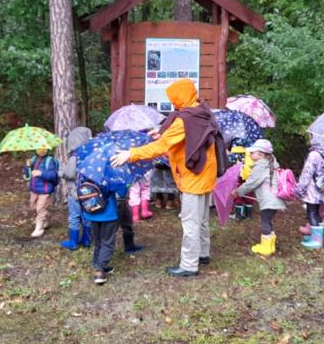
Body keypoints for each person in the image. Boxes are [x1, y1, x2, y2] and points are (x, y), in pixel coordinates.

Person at [111, 79, 221, 277]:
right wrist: (161, 132)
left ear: (181, 97)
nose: (173, 103)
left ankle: (189, 265)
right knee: (202, 219)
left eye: (174, 98)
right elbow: (178, 132)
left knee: (190, 222)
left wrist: (131, 154)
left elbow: (162, 146)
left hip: (193, 176)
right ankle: (202, 254)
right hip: (206, 173)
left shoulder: (185, 120)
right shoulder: (201, 110)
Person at [233, 140, 285, 256]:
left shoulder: (261, 166)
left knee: (265, 221)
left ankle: (266, 248)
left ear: (261, 154)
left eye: (252, 152)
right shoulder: (270, 162)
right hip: (275, 198)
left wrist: (237, 191)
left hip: (269, 199)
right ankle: (270, 245)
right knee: (268, 220)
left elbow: (252, 183)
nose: (250, 154)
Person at [78, 182, 125, 285]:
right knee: (107, 242)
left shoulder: (88, 175)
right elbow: (122, 193)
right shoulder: (111, 177)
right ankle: (99, 270)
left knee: (98, 241)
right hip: (108, 214)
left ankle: (97, 262)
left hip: (92, 212)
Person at [59, 127, 93, 250]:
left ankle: (73, 242)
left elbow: (70, 174)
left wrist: (61, 171)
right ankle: (87, 240)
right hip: (88, 192)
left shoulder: (74, 156)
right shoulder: (91, 154)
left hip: (75, 193)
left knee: (74, 216)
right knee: (87, 216)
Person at [23, 148, 59, 238]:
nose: (41, 151)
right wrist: (27, 166)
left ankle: (39, 229)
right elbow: (28, 175)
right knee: (33, 207)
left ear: (47, 149)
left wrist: (41, 173)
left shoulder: (50, 161)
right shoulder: (33, 159)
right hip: (34, 189)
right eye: (39, 149)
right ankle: (46, 218)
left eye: (44, 149)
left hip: (45, 189)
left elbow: (53, 175)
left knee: (40, 208)